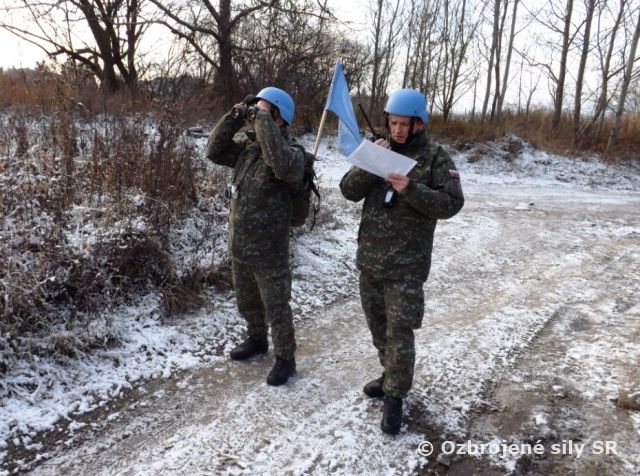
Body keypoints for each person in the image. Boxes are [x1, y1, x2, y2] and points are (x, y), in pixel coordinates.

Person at [339, 89, 464, 434]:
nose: (396, 130)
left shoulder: (435, 158)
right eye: (392, 123)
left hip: (406, 267)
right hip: (370, 261)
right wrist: (370, 163)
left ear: (418, 124)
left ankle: (395, 397)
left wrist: (410, 188)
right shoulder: (380, 149)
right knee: (379, 328)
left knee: (400, 332)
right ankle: (389, 374)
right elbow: (348, 190)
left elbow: (452, 203)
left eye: (403, 124)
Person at [206, 86, 308, 386]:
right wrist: (235, 115)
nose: (255, 115)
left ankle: (285, 358)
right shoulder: (248, 149)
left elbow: (280, 163)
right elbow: (213, 150)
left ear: (279, 118)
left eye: (263, 110)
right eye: (256, 109)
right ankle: (256, 339)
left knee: (276, 307)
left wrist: (261, 117)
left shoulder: (293, 155)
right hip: (241, 243)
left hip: (270, 250)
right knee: (247, 301)